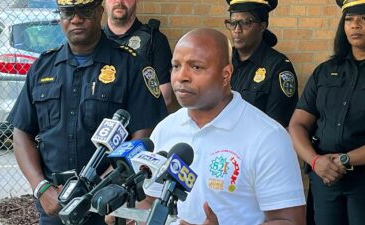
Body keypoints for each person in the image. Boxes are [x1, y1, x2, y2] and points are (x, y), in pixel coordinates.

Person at [6, 0, 168, 224]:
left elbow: (144, 135)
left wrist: (101, 187)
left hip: (109, 205)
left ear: (100, 12)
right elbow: (21, 132)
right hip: (54, 204)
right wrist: (41, 187)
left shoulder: (131, 66)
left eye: (85, 10)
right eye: (68, 11)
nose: (76, 18)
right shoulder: (42, 67)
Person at [141, 28, 306, 225]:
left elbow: (289, 221)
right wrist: (126, 214)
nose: (181, 77)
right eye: (176, 66)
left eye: (196, 67)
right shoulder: (164, 129)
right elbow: (150, 200)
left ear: (226, 74)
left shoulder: (268, 137)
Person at [289, 0, 365, 224]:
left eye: (363, 18)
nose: (355, 25)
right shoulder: (325, 71)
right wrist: (315, 161)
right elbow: (297, 124)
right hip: (325, 179)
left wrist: (345, 159)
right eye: (349, 20)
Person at [224, 0, 298, 128]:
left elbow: (276, 126)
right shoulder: (223, 60)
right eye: (233, 23)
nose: (237, 30)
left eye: (245, 23)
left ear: (262, 27)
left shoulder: (278, 67)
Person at [104, 0, 179, 113]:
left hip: (139, 124)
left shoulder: (154, 40)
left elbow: (165, 97)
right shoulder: (93, 40)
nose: (119, 1)